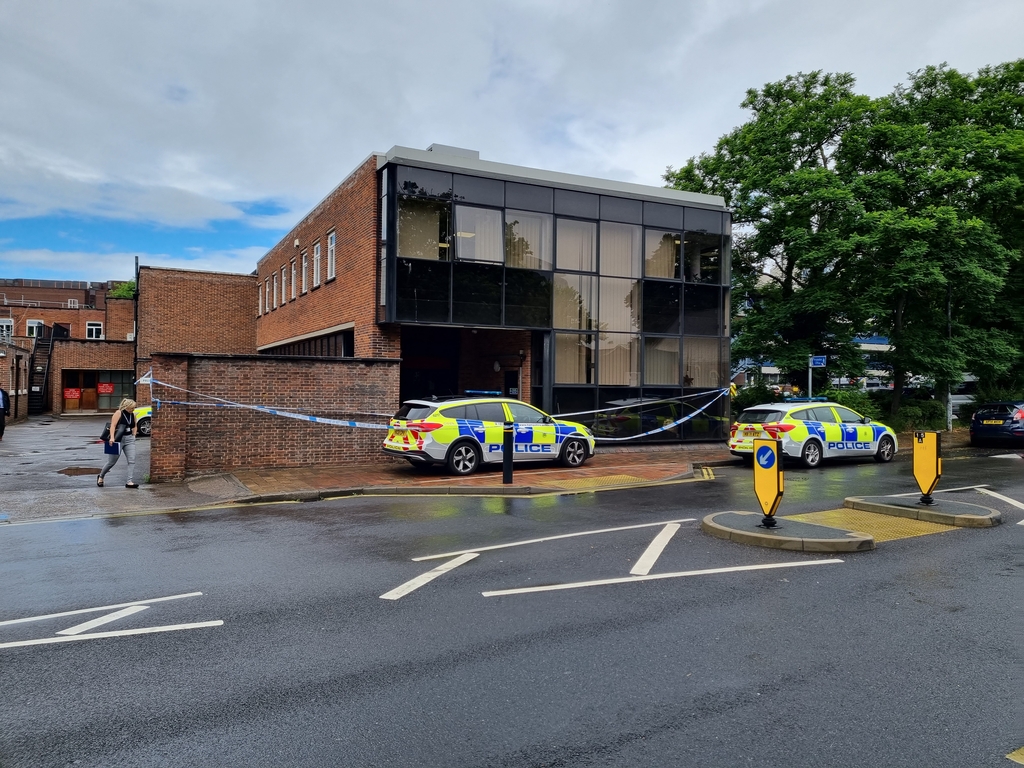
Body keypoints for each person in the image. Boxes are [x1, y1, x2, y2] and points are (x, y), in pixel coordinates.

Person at [98, 398, 139, 488]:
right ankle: (101, 476)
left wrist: (134, 435)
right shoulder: (119, 413)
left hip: (129, 439)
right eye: (132, 408)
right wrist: (112, 437)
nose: (133, 409)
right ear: (127, 407)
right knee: (111, 462)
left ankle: (129, 481)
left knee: (132, 460)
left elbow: (135, 426)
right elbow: (113, 425)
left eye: (134, 408)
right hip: (118, 439)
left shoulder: (133, 414)